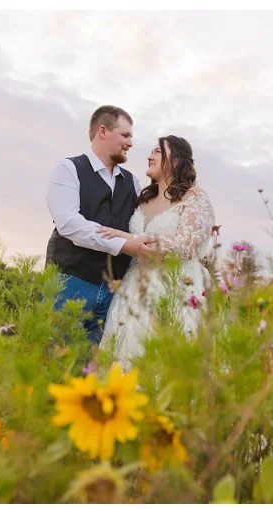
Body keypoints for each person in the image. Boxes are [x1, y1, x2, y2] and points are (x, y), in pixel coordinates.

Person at [96, 135, 215, 367]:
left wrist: (129, 238)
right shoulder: (143, 199)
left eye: (157, 152)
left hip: (176, 288)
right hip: (133, 291)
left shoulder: (195, 198)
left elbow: (187, 246)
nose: (149, 156)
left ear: (178, 160)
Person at [46, 105, 157, 345]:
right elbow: (69, 224)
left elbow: (139, 228)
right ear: (103, 131)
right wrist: (123, 245)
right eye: (125, 135)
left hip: (114, 294)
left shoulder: (133, 182)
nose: (130, 143)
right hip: (70, 284)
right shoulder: (68, 169)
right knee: (58, 361)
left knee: (95, 371)